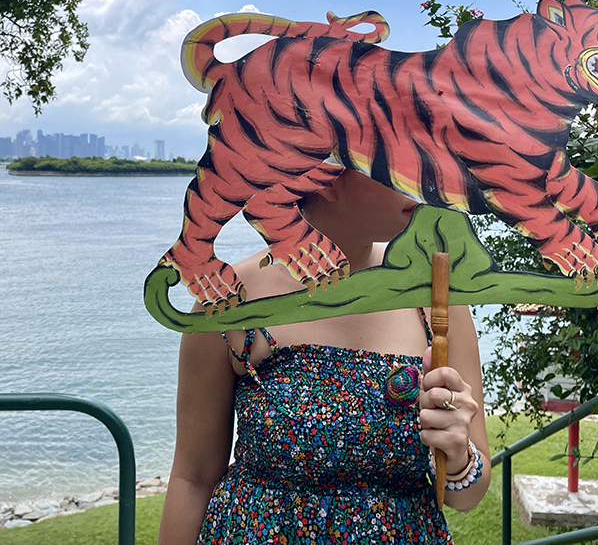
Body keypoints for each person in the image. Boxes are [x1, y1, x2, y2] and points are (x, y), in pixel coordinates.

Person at [158, 168, 490, 544]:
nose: (426, 180)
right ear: (327, 175)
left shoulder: (436, 296)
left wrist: (458, 453)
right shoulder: (228, 301)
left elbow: (468, 496)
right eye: (393, 162)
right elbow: (193, 477)